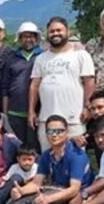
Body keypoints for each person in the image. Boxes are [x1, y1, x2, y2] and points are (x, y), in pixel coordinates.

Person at [29, 16, 95, 151]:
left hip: (74, 119)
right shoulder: (41, 58)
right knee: (49, 157)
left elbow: (89, 82)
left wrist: (87, 107)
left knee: (75, 156)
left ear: (67, 32)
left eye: (59, 30)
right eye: (52, 31)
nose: (55, 34)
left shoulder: (81, 55)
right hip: (46, 120)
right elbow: (34, 86)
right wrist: (31, 111)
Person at [2, 21, 43, 149]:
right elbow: (5, 87)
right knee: (15, 148)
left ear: (36, 38)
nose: (28, 39)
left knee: (34, 149)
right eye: (24, 36)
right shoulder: (11, 58)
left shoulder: (42, 56)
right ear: (19, 39)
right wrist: (5, 113)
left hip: (37, 113)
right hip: (14, 113)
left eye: (31, 36)